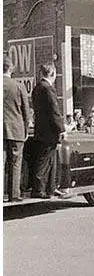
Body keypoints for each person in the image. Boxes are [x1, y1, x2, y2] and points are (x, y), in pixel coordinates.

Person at [30, 63, 65, 199]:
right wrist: (61, 129)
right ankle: (39, 189)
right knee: (45, 160)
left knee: (49, 159)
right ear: (53, 74)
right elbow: (54, 111)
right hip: (49, 131)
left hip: (41, 129)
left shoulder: (37, 88)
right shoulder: (48, 89)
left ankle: (50, 187)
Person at [3, 56, 31, 202]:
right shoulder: (19, 86)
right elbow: (26, 111)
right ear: (11, 69)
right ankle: (14, 194)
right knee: (15, 162)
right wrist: (26, 128)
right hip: (16, 130)